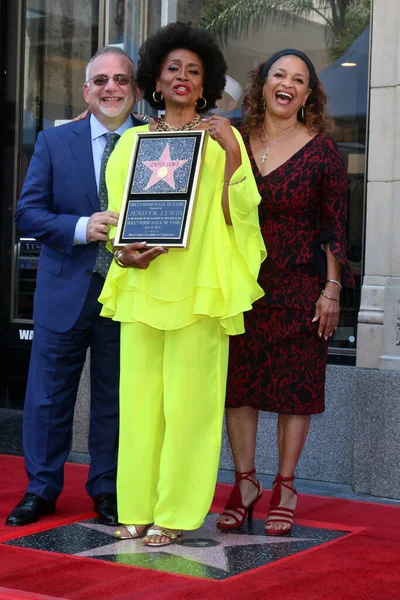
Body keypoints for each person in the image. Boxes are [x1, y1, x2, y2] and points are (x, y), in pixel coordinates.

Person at [98, 22, 266, 546]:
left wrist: (233, 156)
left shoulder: (226, 139)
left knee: (190, 407)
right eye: (174, 68)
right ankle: (137, 506)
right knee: (141, 403)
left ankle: (175, 512)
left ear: (207, 81)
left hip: (200, 291)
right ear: (154, 78)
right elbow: (117, 218)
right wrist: (121, 253)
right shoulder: (131, 145)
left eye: (194, 70)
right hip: (144, 288)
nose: (184, 77)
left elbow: (243, 216)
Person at [216, 49, 355, 536]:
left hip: (300, 286)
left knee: (295, 392)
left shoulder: (323, 151)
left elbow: (333, 227)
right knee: (240, 389)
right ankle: (245, 482)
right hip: (240, 285)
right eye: (280, 74)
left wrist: (331, 290)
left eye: (299, 79)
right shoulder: (232, 137)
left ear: (308, 93)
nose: (288, 84)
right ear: (263, 83)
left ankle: (287, 485)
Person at [6, 46, 143, 527]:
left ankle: (107, 488)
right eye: (101, 80)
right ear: (86, 90)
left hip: (128, 291)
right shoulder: (54, 142)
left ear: (136, 91)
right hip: (65, 289)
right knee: (47, 397)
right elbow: (27, 213)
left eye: (121, 80)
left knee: (117, 395)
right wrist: (84, 226)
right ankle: (40, 489)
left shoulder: (154, 145)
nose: (111, 88)